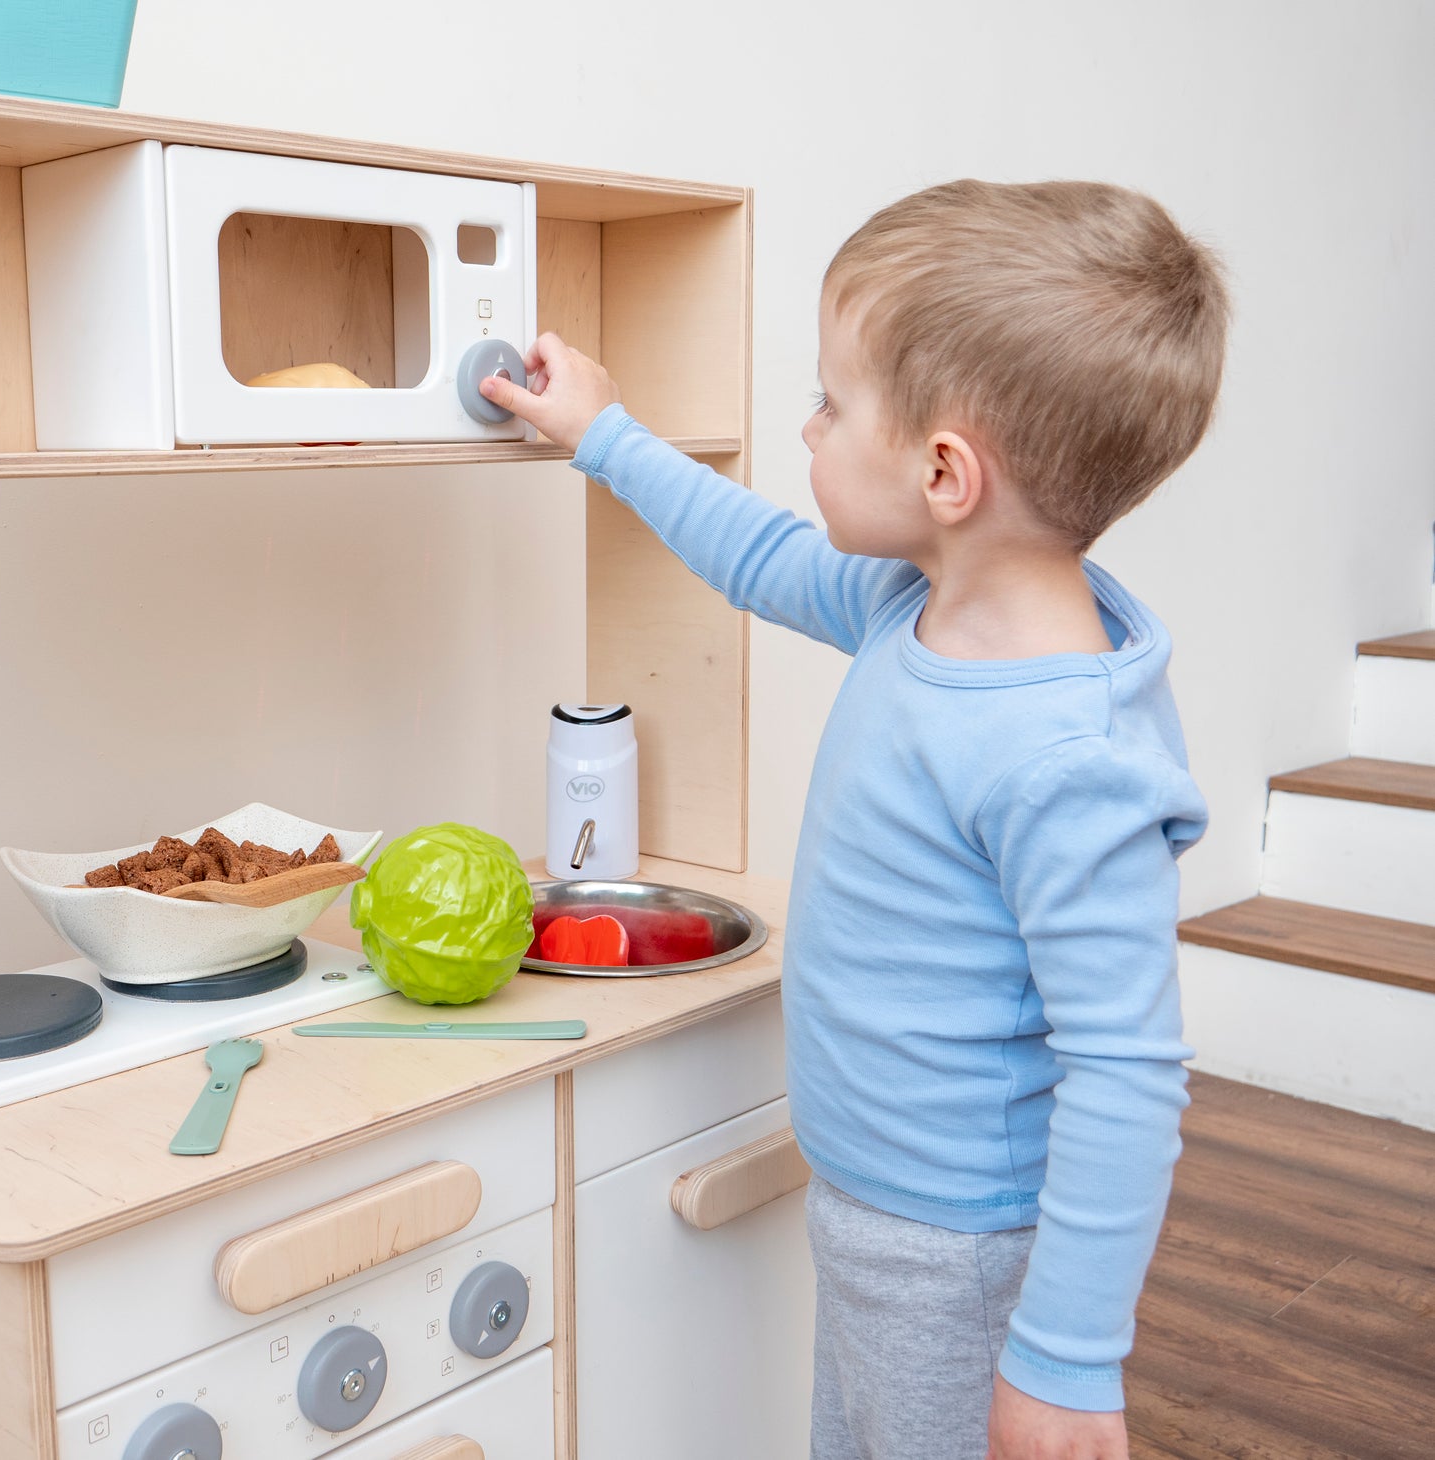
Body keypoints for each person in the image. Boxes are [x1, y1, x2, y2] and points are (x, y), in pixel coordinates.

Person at [480, 178, 1229, 1460]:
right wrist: (603, 432)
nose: (809, 427)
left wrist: (1061, 1360)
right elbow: (761, 554)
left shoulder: (1065, 759)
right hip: (875, 1204)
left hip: (964, 1248)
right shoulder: (914, 602)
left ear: (944, 470)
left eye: (830, 403)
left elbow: (1127, 1070)